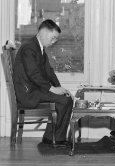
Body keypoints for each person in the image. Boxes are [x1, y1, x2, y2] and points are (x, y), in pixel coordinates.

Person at [13, 19, 74, 147]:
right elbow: (33, 74)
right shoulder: (29, 48)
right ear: (44, 33)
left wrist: (59, 88)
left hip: (34, 90)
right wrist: (52, 89)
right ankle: (56, 138)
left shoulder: (38, 47)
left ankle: (50, 137)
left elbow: (49, 72)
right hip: (28, 94)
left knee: (65, 97)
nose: (54, 42)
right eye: (53, 38)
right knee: (64, 100)